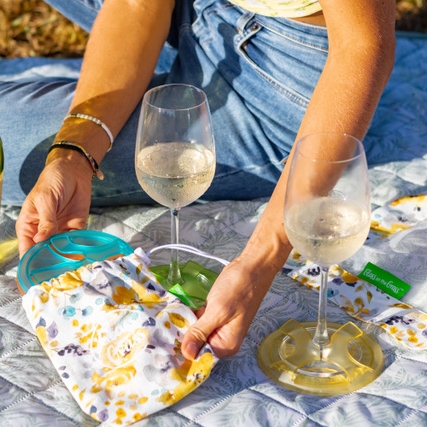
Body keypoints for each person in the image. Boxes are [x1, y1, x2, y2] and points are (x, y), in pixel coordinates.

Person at [0, 0, 395, 360]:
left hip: (283, 69)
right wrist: (74, 153)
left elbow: (361, 46)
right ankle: (167, 66)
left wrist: (259, 262)